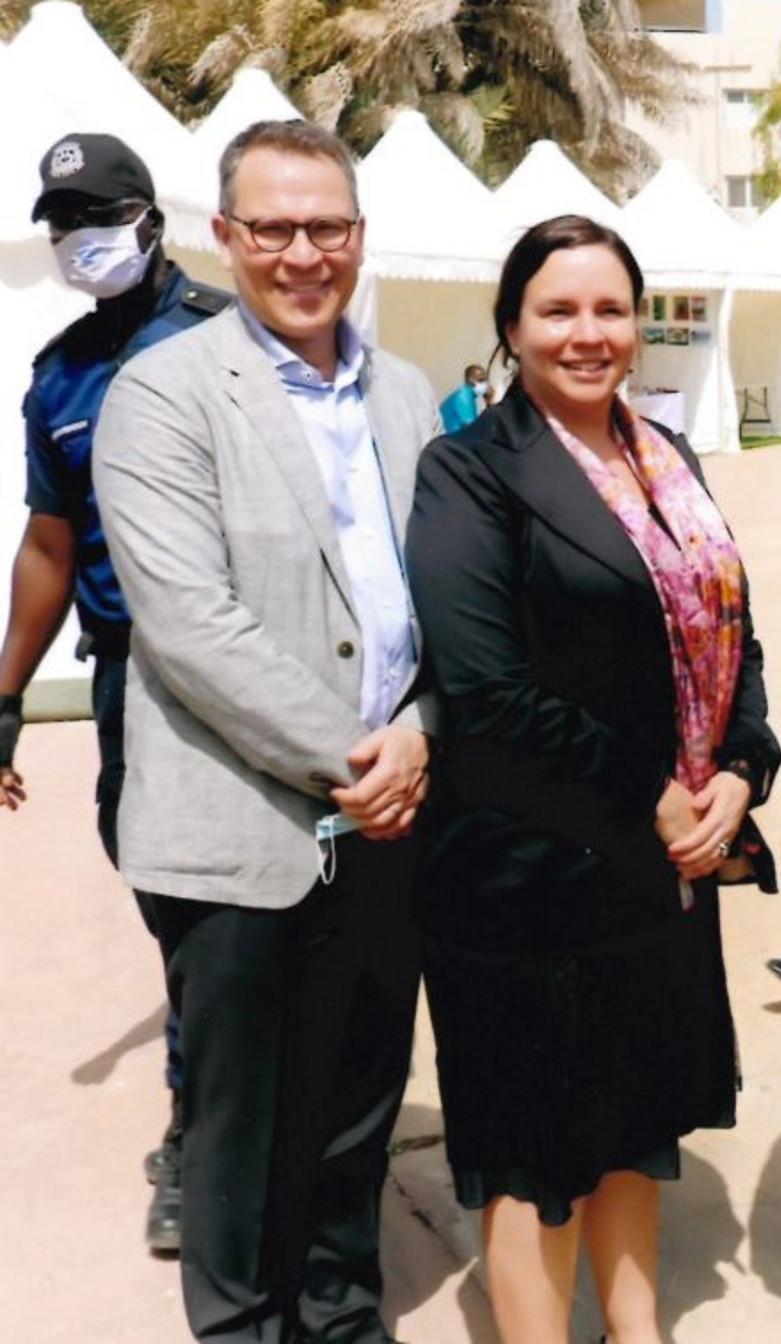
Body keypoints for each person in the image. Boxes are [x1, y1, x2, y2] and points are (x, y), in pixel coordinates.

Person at [92, 118, 438, 1344]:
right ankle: (242, 1327)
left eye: (326, 226)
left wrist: (423, 733)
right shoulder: (163, 393)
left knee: (357, 1105)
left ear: (360, 236)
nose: (304, 253)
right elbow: (190, 626)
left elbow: (450, 599)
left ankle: (342, 1315)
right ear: (228, 237)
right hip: (240, 832)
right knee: (240, 1134)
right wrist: (360, 760)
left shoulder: (404, 393)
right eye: (276, 228)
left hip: (392, 821)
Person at [407, 214, 779, 1344]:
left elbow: (731, 630)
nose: (587, 333)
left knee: (632, 1122)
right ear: (511, 326)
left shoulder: (668, 456)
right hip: (527, 870)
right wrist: (656, 793)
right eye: (557, 310)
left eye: (610, 309)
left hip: (656, 869)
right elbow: (487, 690)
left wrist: (742, 768)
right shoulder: (469, 470)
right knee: (536, 1153)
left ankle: (636, 1327)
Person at [1, 130, 231, 1254]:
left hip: (238, 673)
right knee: (170, 901)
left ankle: (213, 1124)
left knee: (252, 900)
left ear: (147, 217)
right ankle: (207, 1115)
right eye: (59, 224)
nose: (74, 239)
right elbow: (49, 546)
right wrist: (5, 699)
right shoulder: (59, 375)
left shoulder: (232, 336)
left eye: (94, 216)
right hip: (129, 678)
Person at [439, 362, 487, 433]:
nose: (486, 383)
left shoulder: (469, 396)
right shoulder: (464, 395)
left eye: (486, 379)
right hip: (450, 437)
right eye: (481, 380)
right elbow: (472, 427)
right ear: (471, 381)